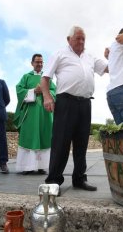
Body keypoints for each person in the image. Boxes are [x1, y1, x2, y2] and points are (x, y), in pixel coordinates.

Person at [41, 26, 108, 193]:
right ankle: (53, 181)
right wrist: (48, 97)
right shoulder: (60, 54)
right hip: (66, 102)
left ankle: (79, 179)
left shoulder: (90, 56)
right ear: (68, 39)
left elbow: (108, 68)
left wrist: (114, 54)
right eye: (78, 38)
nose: (81, 41)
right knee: (60, 143)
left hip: (85, 103)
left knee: (82, 143)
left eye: (83, 38)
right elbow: (45, 79)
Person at [13, 54, 56, 175]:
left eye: (41, 62)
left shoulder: (47, 78)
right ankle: (27, 167)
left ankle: (42, 166)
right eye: (37, 62)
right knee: (29, 137)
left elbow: (54, 91)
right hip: (30, 113)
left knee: (44, 137)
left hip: (44, 113)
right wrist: (33, 91)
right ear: (32, 63)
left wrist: (44, 90)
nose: (39, 64)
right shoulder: (26, 77)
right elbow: (19, 90)